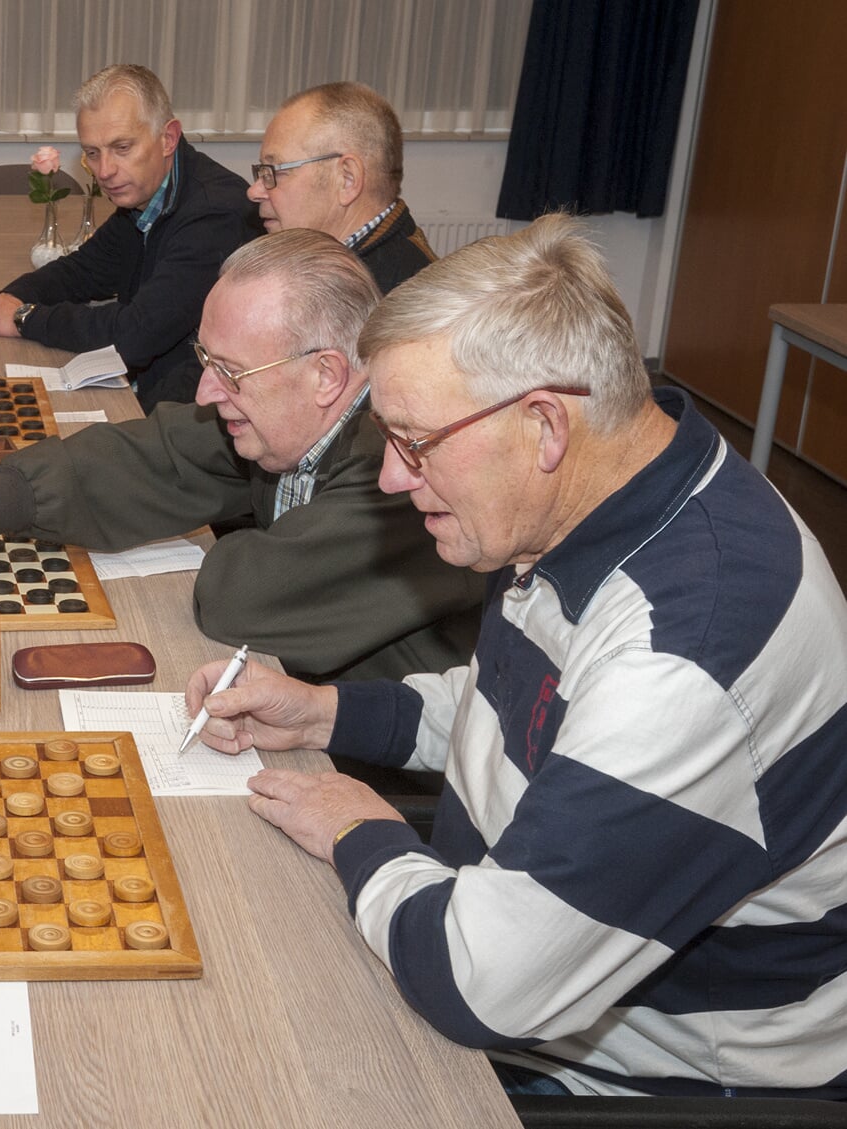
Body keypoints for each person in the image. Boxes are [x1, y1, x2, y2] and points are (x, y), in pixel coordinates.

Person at [189, 216, 847, 1099]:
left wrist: (358, 825)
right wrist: (326, 710)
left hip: (636, 1074)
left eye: (414, 441)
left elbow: (482, 985)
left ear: (543, 425)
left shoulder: (684, 653)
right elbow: (520, 708)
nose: (389, 476)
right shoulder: (601, 499)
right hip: (507, 938)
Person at [0, 229, 482, 684]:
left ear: (326, 375)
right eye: (206, 361)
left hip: (378, 773)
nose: (205, 391)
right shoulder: (290, 416)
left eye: (230, 371)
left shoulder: (404, 468)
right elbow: (155, 455)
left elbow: (241, 597)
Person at [0, 64, 262, 410]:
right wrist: (2, 301)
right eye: (93, 153)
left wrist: (23, 317)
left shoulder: (214, 214)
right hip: (143, 391)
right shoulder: (148, 194)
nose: (105, 171)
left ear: (168, 138)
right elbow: (83, 270)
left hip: (187, 418)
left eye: (122, 148)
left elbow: (135, 333)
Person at [249, 81, 436, 295]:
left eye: (276, 171)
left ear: (346, 179)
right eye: (262, 172)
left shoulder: (385, 307)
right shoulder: (340, 269)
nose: (254, 192)